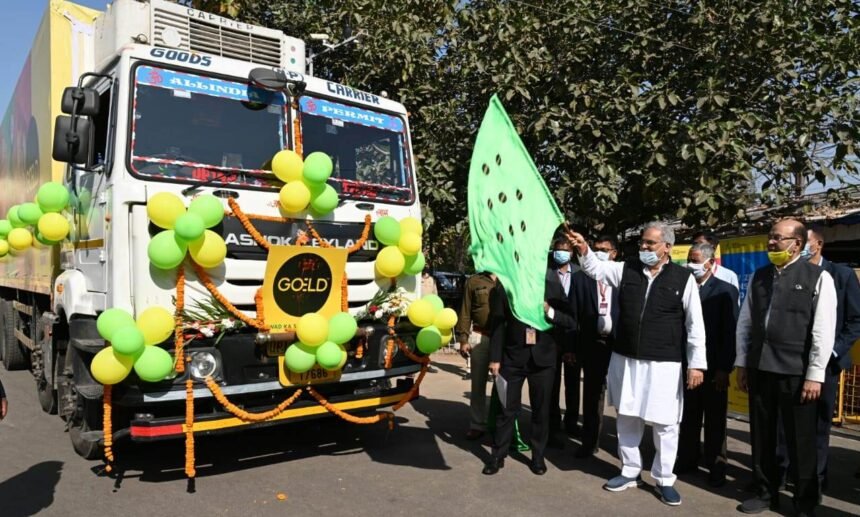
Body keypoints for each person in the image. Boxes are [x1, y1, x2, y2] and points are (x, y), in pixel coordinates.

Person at [566, 222, 706, 507]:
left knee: (665, 424)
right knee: (627, 416)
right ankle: (630, 471)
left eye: (650, 244)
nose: (643, 247)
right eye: (642, 242)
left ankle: (665, 478)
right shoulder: (626, 270)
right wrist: (583, 248)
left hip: (664, 363)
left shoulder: (683, 278)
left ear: (667, 247)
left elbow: (695, 325)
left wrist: (697, 365)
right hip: (627, 359)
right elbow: (596, 269)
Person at [736, 219, 837, 516]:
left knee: (801, 442)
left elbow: (823, 331)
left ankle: (804, 502)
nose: (771, 243)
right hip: (761, 368)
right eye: (770, 237)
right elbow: (745, 322)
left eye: (778, 238)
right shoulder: (759, 276)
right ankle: (766, 491)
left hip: (797, 373)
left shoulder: (818, 278)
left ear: (797, 243)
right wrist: (742, 362)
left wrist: (815, 375)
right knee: (763, 436)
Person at [775, 226, 860, 494]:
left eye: (804, 243)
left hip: (828, 365)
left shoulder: (841, 274)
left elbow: (856, 319)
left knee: (818, 427)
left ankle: (816, 481)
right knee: (784, 423)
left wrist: (832, 352)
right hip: (792, 361)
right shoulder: (787, 273)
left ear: (818, 244)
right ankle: (781, 475)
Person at [481, 265, 577, 476]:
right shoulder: (505, 288)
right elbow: (497, 325)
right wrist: (495, 358)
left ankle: (538, 457)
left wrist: (549, 311)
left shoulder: (552, 286)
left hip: (543, 360)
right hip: (512, 359)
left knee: (541, 411)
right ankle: (497, 456)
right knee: (507, 410)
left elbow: (569, 320)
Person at [676, 243, 739, 487]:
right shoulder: (684, 288)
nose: (691, 264)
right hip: (688, 365)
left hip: (714, 367)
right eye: (689, 259)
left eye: (696, 260)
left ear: (711, 263)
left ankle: (716, 464)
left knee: (714, 419)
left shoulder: (724, 291)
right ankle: (688, 459)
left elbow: (730, 332)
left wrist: (724, 368)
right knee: (688, 415)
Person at [569, 234, 620, 459]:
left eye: (604, 248)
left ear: (614, 253)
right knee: (592, 395)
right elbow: (573, 315)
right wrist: (571, 347)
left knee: (622, 396)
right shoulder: (582, 278)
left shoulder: (624, 277)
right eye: (596, 248)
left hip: (618, 344)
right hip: (592, 343)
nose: (599, 251)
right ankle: (589, 443)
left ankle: (626, 448)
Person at [455, 271, 498, 440]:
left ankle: (498, 423)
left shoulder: (509, 275)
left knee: (502, 385)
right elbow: (465, 311)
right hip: (481, 336)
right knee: (478, 383)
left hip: (503, 338)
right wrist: (463, 339)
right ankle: (477, 424)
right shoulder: (474, 281)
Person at [548, 237, 580, 443]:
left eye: (566, 250)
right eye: (558, 249)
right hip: (551, 334)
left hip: (574, 334)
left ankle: (571, 422)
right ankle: (553, 424)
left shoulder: (580, 273)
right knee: (551, 383)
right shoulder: (545, 272)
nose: (562, 253)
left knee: (573, 383)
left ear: (572, 253)